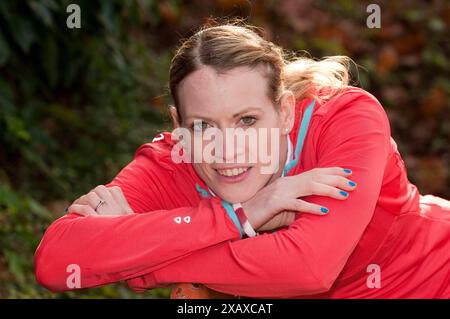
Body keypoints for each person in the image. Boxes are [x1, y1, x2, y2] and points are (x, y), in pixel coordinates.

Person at [35, 22, 450, 298]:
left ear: (285, 111)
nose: (227, 149)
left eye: (247, 120)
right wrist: (240, 217)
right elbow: (56, 262)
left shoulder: (343, 119)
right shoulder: (172, 160)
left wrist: (148, 263)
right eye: (203, 126)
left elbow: (311, 268)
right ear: (179, 124)